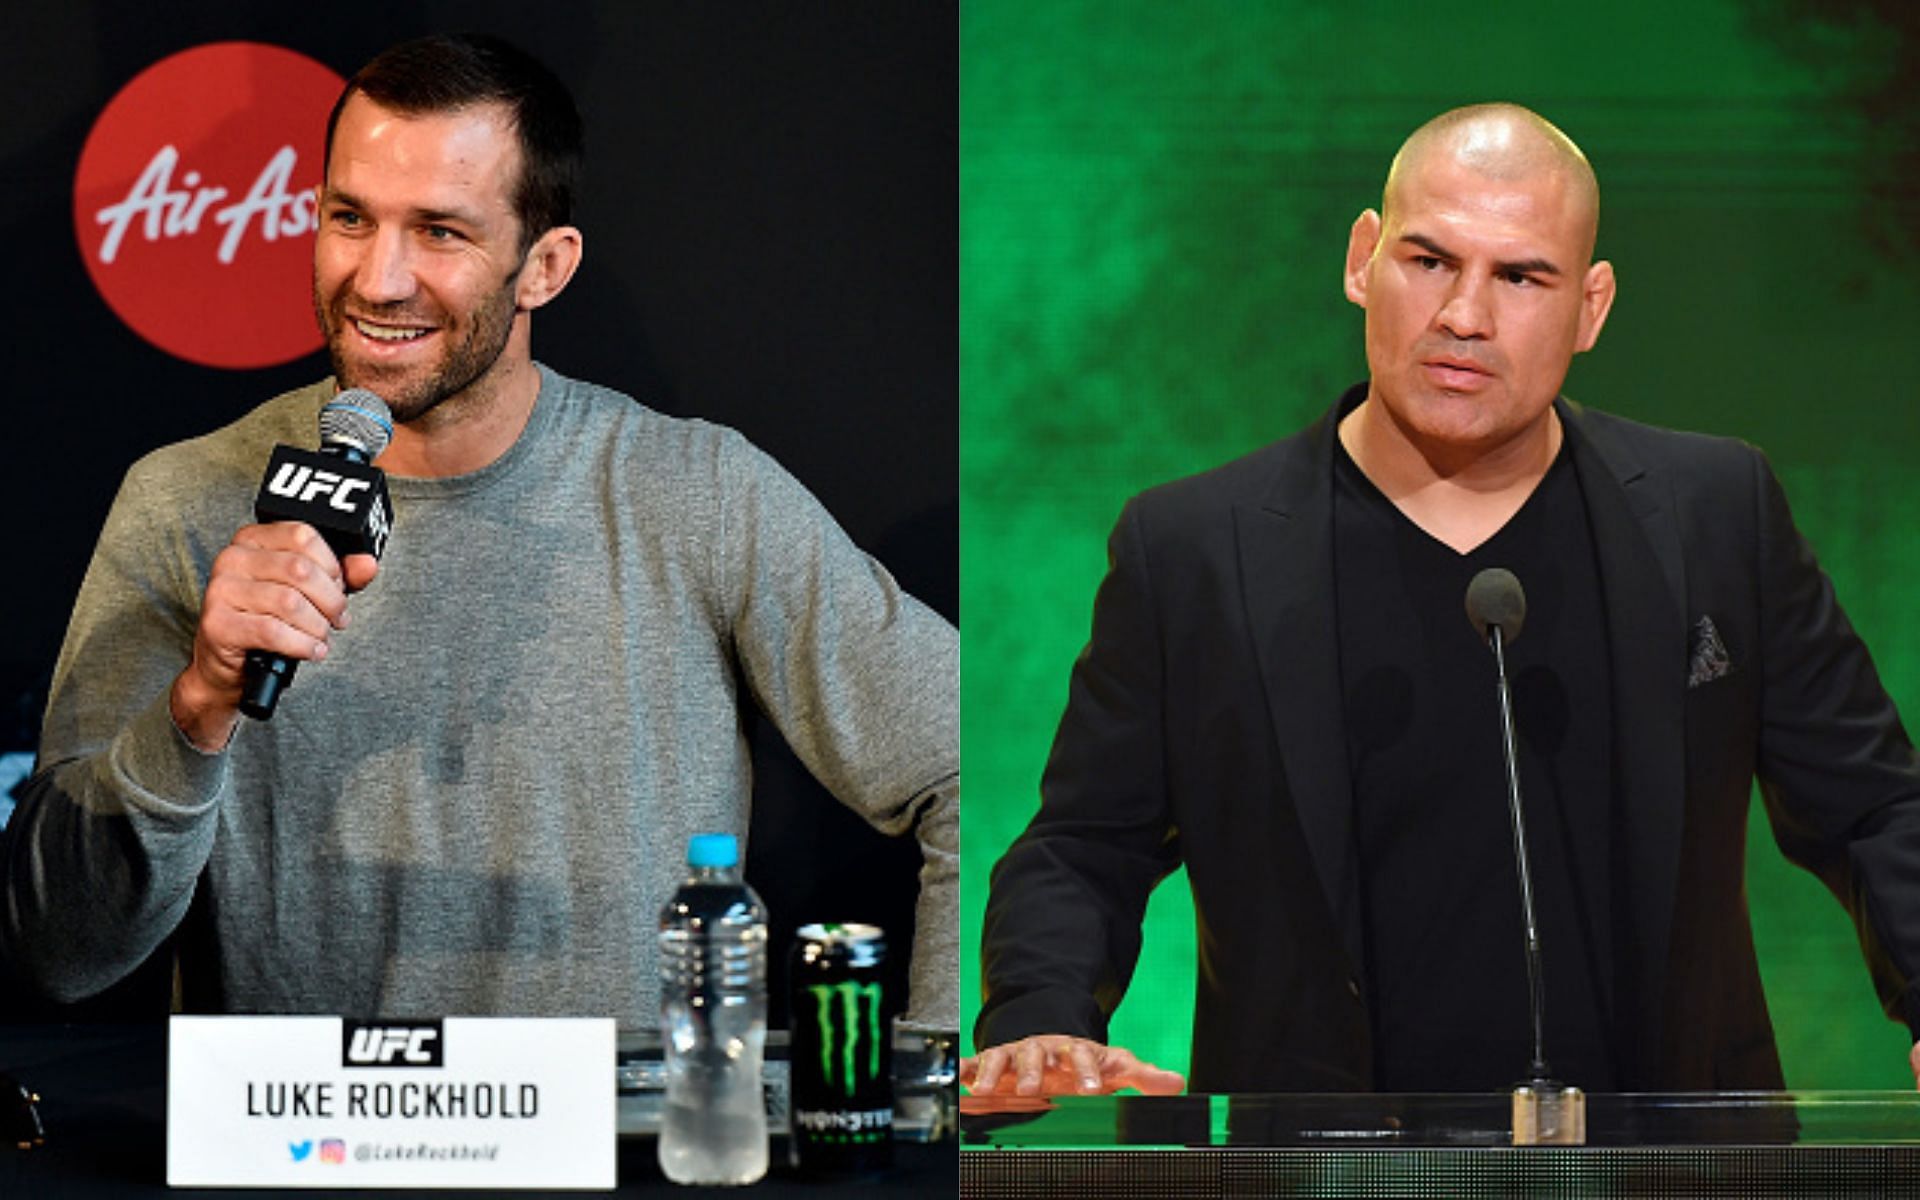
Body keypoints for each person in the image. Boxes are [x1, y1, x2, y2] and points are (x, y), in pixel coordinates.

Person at [1, 33, 957, 1032]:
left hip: (618, 1168)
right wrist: (197, 707)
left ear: (544, 265)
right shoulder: (185, 501)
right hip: (302, 1165)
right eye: (348, 218)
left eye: (441, 233)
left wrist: (942, 1087)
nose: (378, 280)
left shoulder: (696, 494)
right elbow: (56, 951)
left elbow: (972, 766)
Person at [965, 102, 1920, 1097]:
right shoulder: (1193, 550)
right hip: (1319, 1166)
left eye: (1520, 277)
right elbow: (1084, 845)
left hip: (1665, 1159)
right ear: (1361, 260)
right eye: (1430, 262)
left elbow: (1874, 807)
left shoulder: (1715, 514)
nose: (1465, 315)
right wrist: (1040, 1021)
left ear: (1590, 308)